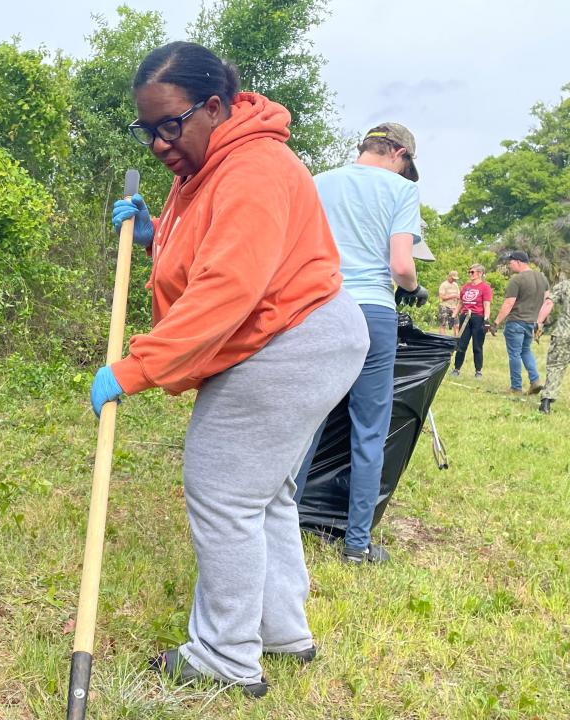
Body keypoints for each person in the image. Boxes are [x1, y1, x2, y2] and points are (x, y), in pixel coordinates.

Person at [96, 41, 369, 698]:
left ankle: (224, 656)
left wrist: (137, 368)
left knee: (221, 486)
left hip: (292, 337)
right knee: (262, 491)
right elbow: (215, 247)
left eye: (170, 124)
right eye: (147, 129)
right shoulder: (212, 163)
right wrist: (157, 231)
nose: (159, 143)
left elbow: (227, 287)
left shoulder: (251, 167)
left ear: (212, 107)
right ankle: (280, 631)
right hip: (300, 333)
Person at [291, 122, 428, 566]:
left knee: (307, 421)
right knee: (369, 428)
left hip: (319, 307)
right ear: (399, 154)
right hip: (372, 310)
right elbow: (401, 264)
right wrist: (413, 287)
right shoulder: (400, 190)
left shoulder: (317, 182)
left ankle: (282, 528)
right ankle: (356, 545)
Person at [492, 250, 550, 394]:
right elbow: (547, 300)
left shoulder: (516, 280)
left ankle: (516, 387)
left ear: (518, 261)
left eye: (511, 263)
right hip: (531, 322)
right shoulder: (542, 278)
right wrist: (540, 321)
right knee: (526, 350)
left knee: (514, 354)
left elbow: (509, 303)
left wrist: (496, 322)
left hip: (516, 322)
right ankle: (535, 380)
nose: (510, 266)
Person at [450, 264, 493, 377]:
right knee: (461, 344)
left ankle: (478, 371)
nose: (470, 274)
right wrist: (453, 316)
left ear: (480, 273)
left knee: (477, 346)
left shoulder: (485, 287)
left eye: (472, 272)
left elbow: (486, 305)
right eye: (469, 272)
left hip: (478, 317)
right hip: (465, 317)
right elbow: (460, 303)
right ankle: (456, 369)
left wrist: (486, 320)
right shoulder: (465, 287)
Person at [537, 276, 570, 414]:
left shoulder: (565, 286)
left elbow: (549, 303)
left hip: (563, 333)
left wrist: (539, 322)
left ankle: (546, 403)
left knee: (556, 367)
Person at [438, 270, 461, 335]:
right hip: (444, 306)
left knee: (456, 325)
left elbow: (458, 295)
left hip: (454, 307)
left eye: (455, 279)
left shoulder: (455, 285)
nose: (454, 280)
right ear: (449, 276)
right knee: (443, 324)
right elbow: (442, 297)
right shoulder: (443, 285)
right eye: (453, 278)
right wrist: (453, 295)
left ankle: (456, 341)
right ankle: (442, 340)